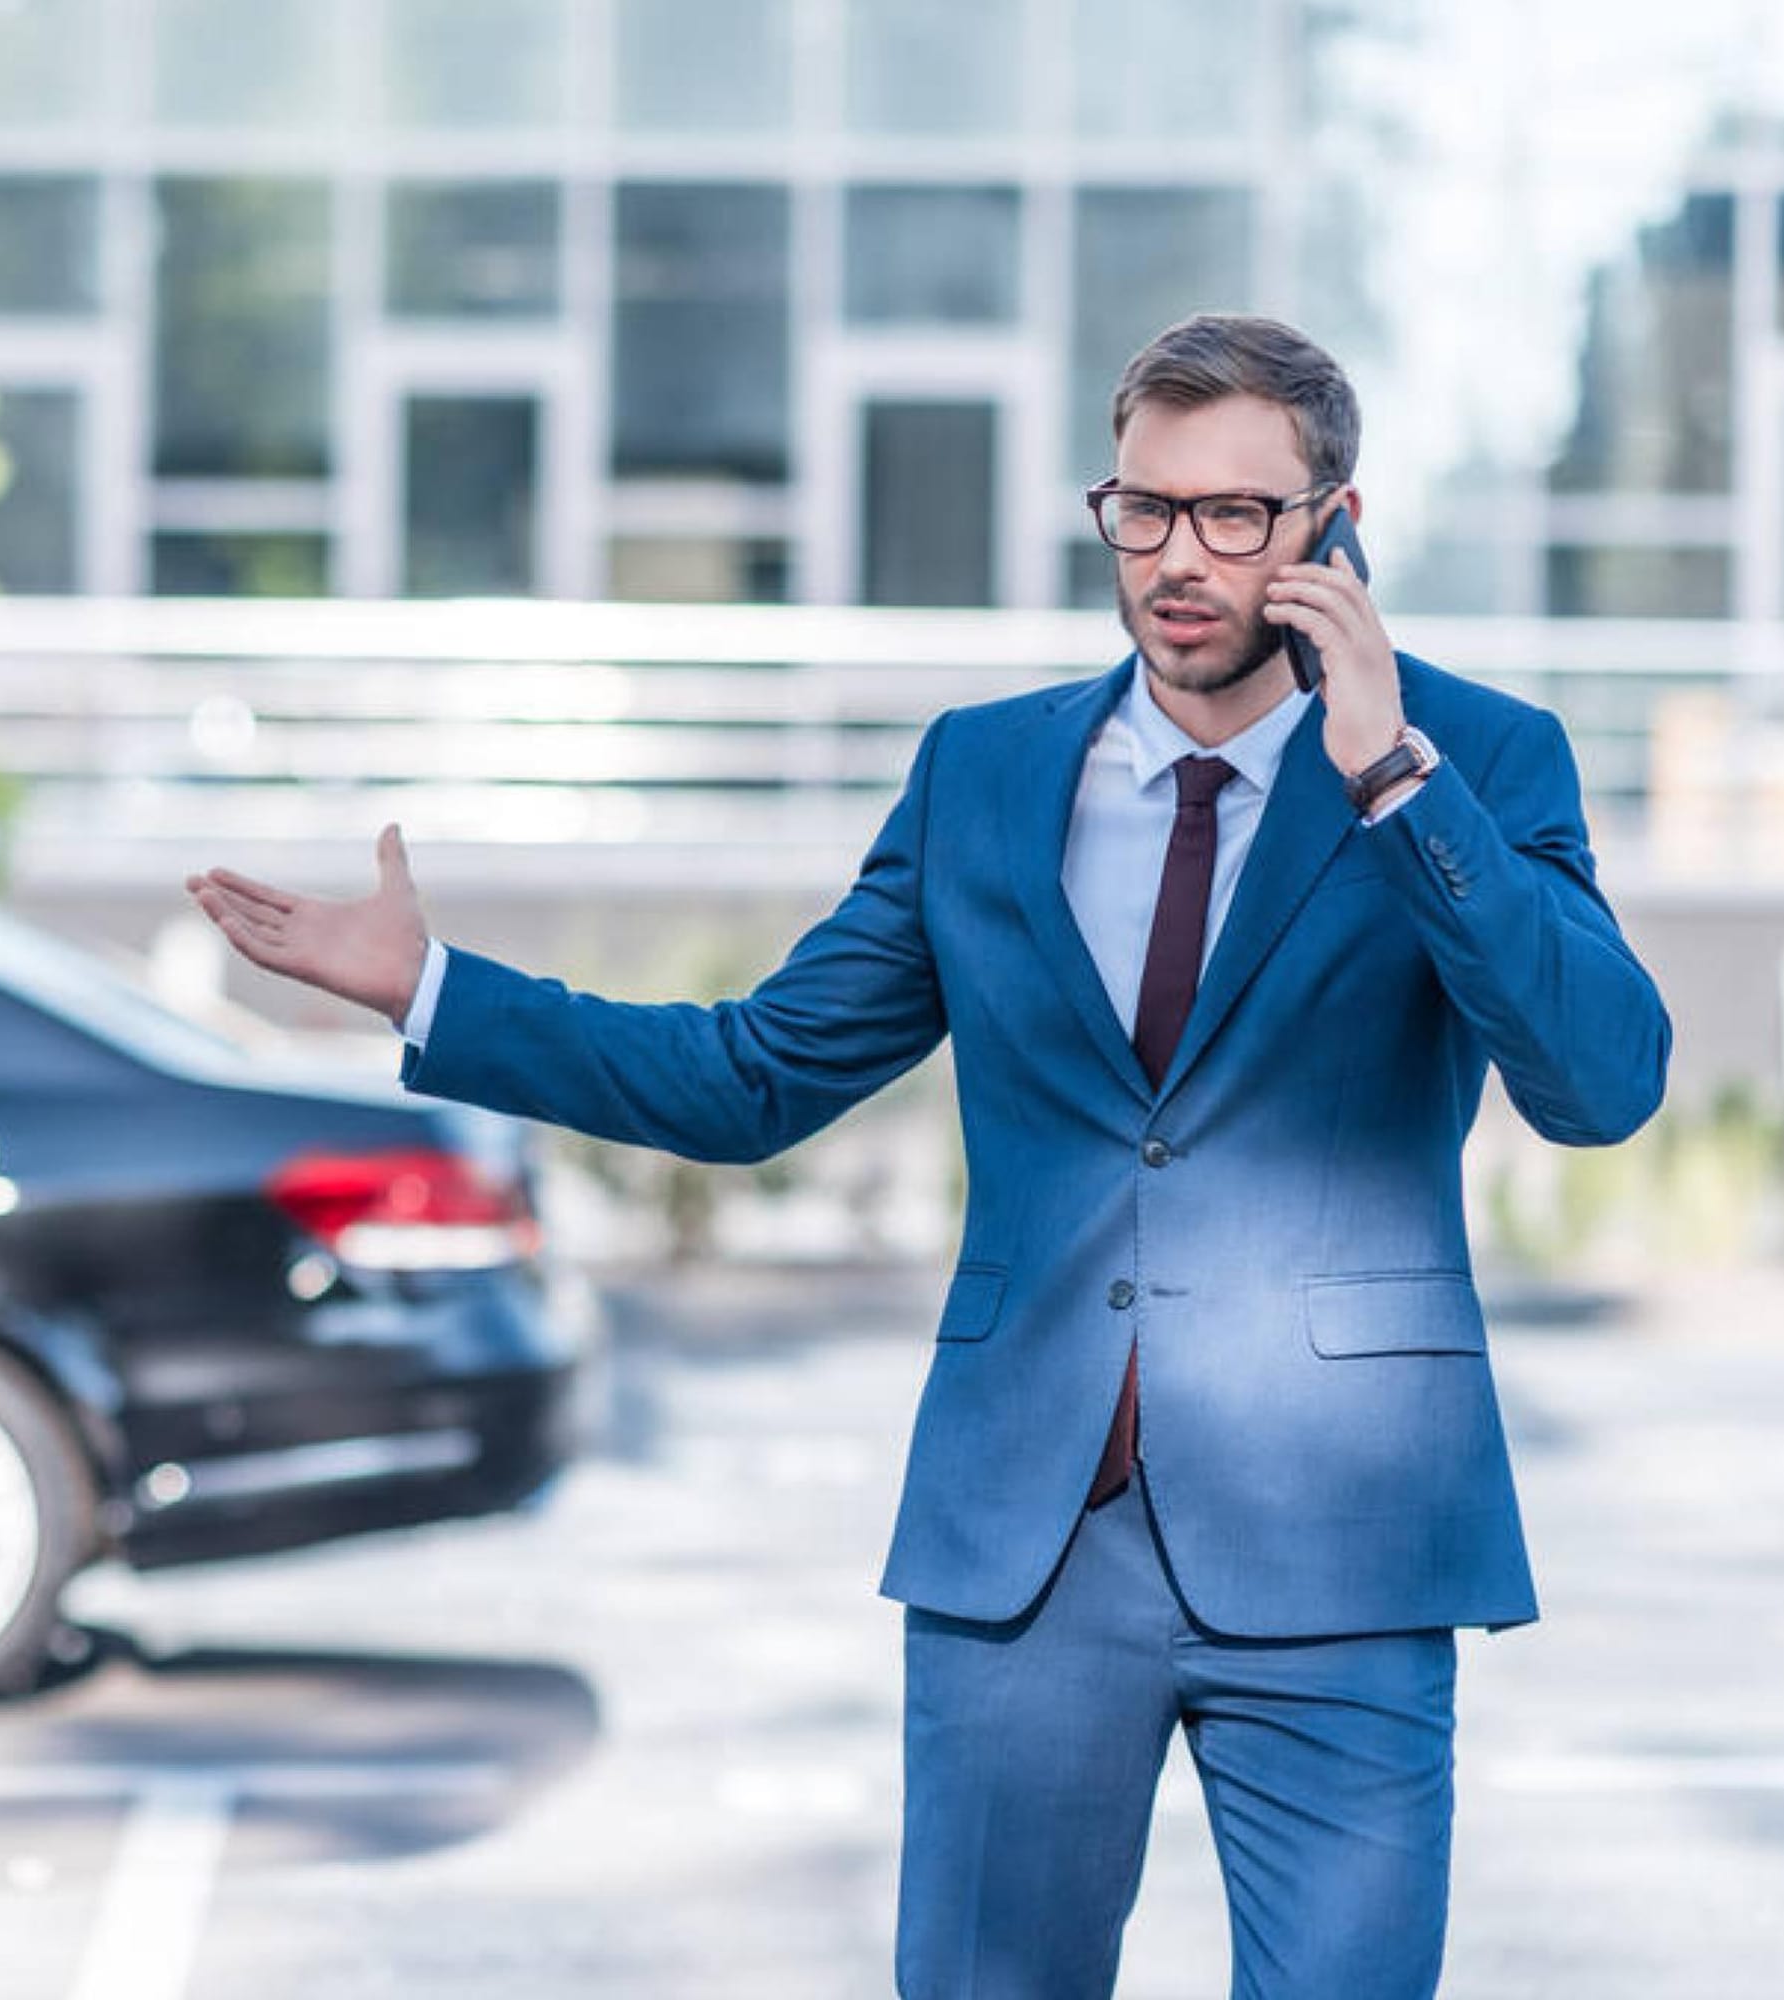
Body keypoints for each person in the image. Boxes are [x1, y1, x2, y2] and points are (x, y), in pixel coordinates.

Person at [187, 311, 1669, 2000]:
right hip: (1026, 1547)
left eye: (1237, 516)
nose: (1181, 559)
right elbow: (754, 1076)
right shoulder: (987, 772)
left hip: (1347, 1544)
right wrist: (434, 991)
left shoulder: (1476, 757)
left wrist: (1396, 774)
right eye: (1146, 509)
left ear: (1335, 527)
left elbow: (1601, 1083)